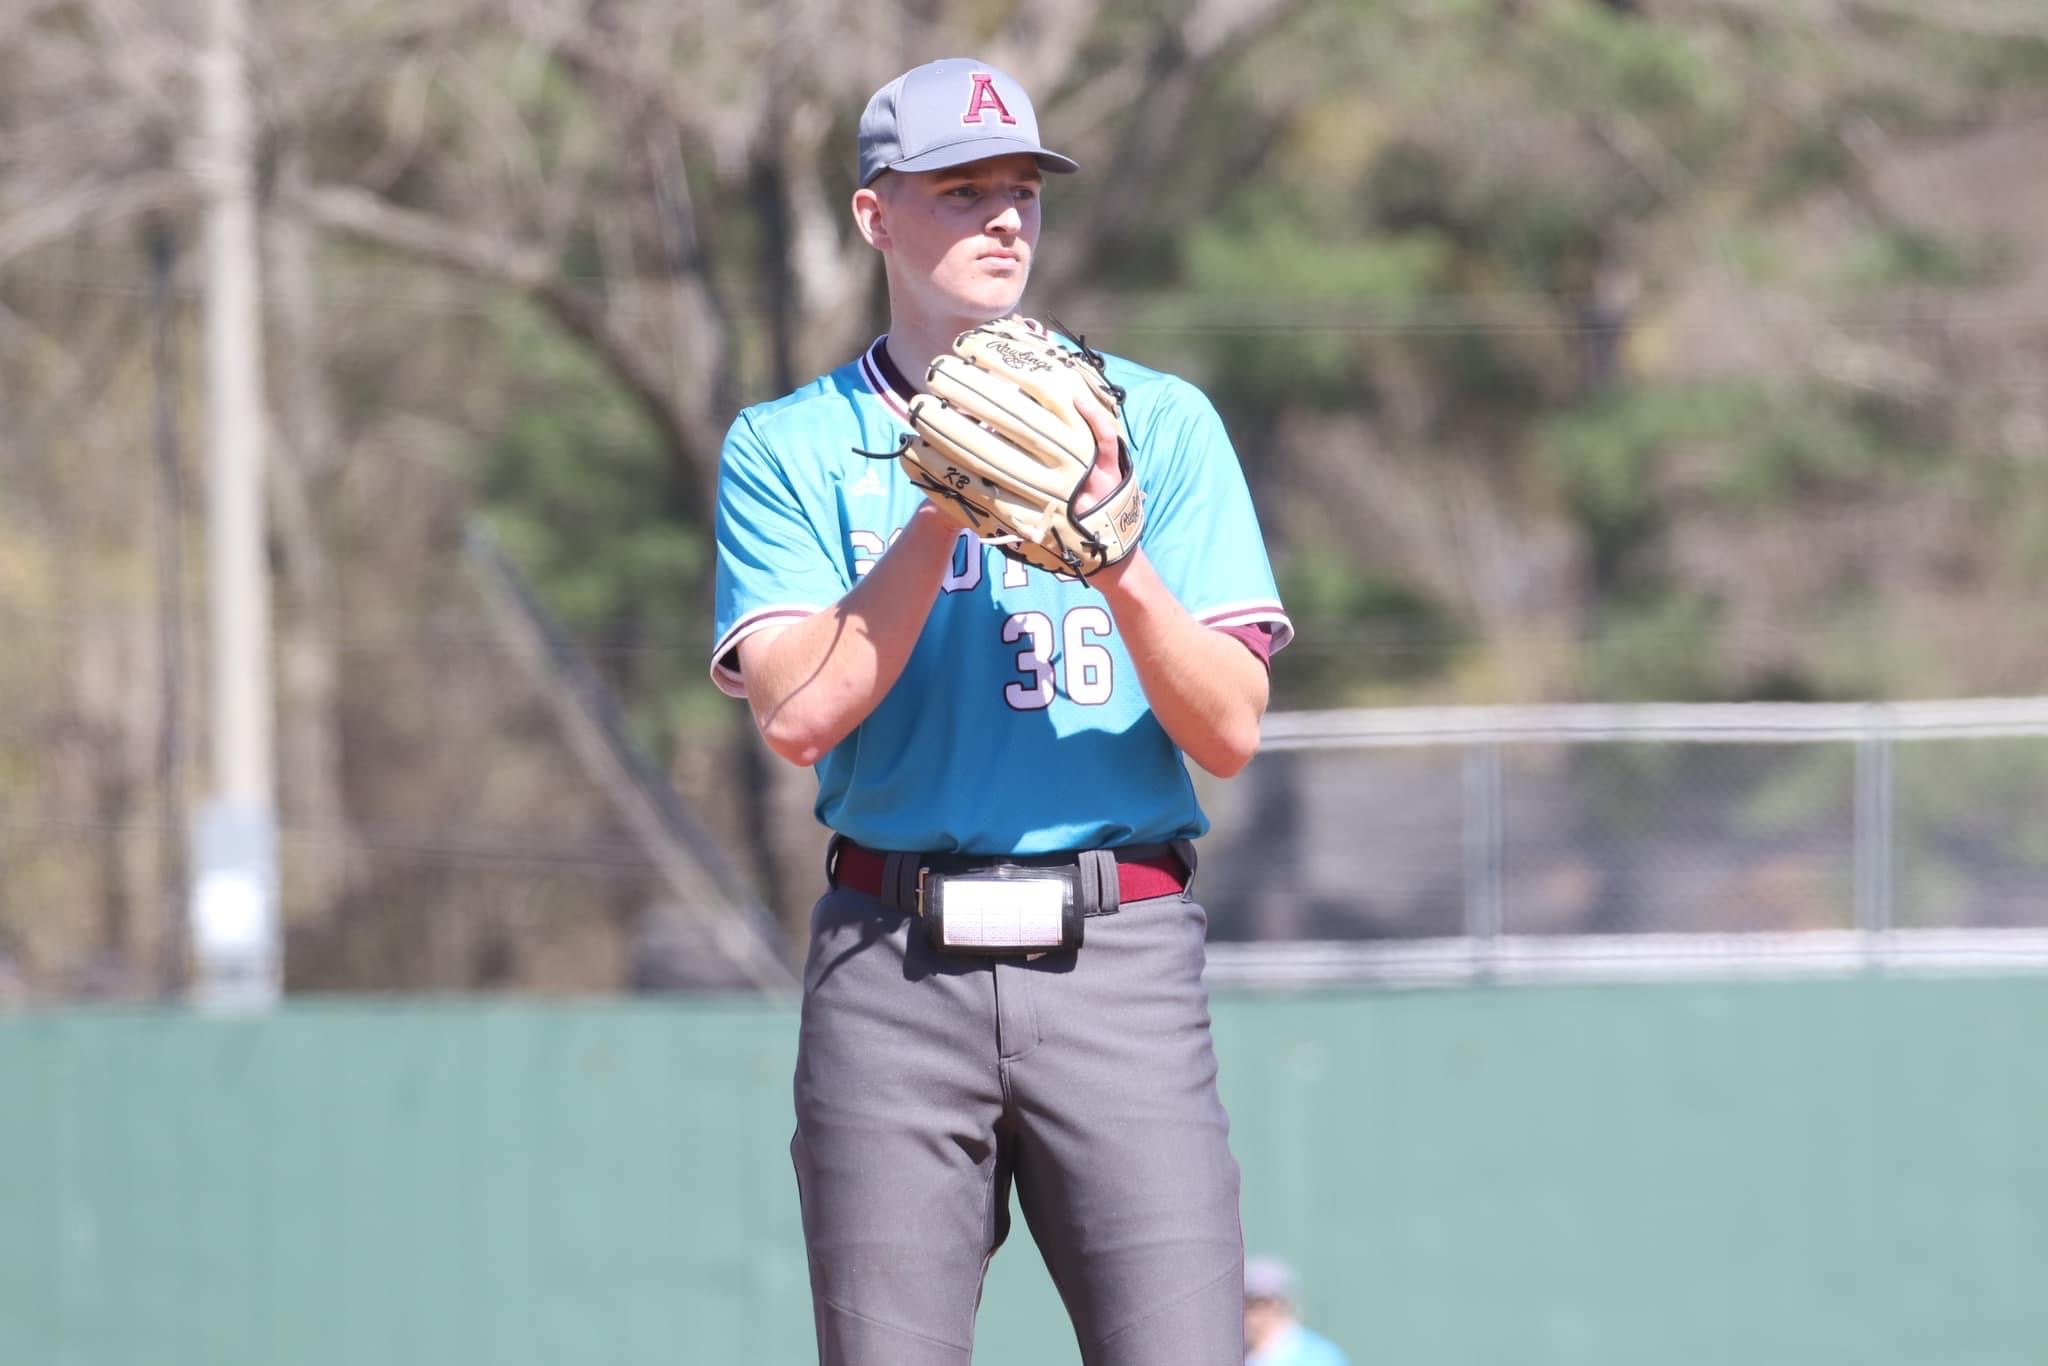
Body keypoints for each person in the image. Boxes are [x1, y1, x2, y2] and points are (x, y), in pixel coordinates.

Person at [709, 55, 1293, 1366]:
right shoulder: (790, 444)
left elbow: (1230, 728)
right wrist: (942, 501)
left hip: (1121, 956)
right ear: (876, 217)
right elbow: (801, 718)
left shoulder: (1157, 421)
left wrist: (1112, 557)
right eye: (960, 190)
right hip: (890, 959)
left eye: (1022, 189)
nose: (1002, 219)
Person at [1243, 1257, 1351, 1366]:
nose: (1243, 1311)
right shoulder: (1241, 1353)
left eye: (1250, 1302)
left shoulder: (1321, 1359)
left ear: (1276, 1304)